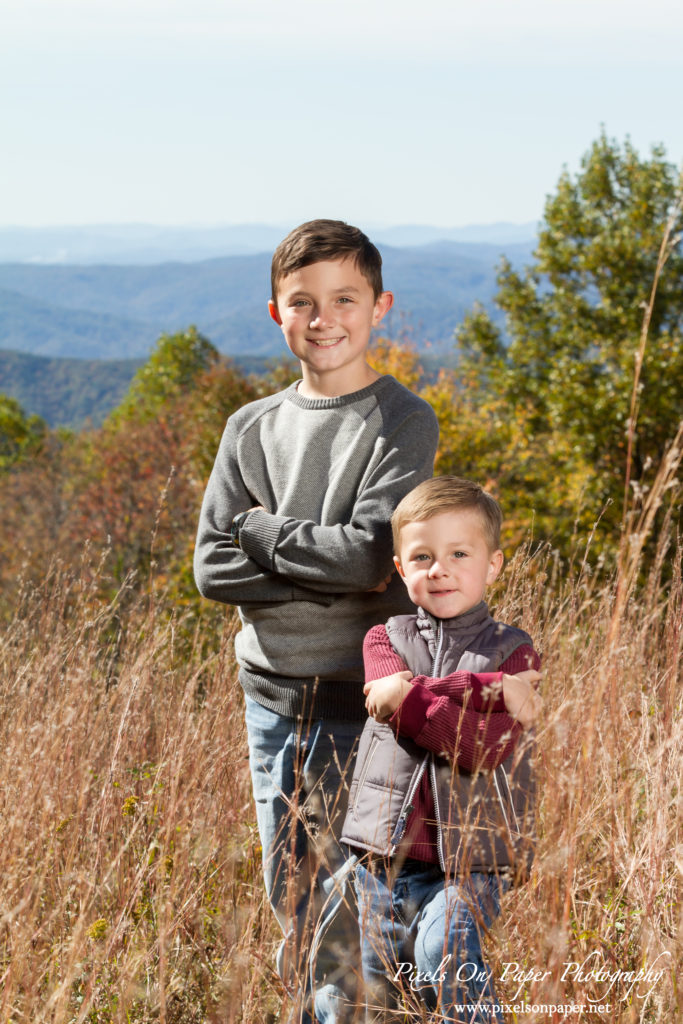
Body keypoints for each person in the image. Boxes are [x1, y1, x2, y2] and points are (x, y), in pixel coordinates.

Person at [193, 219, 440, 1023]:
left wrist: (262, 533)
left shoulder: (401, 421)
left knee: (350, 908)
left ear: (379, 307)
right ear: (276, 313)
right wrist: (323, 571)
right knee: (290, 890)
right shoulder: (250, 429)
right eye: (302, 302)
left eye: (344, 299)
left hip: (355, 704)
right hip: (268, 701)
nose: (323, 317)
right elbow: (210, 570)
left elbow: (369, 559)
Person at [341, 476, 542, 1023]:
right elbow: (386, 699)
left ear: (493, 564)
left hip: (473, 863)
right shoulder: (383, 638)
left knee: (443, 957)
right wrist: (489, 690)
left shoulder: (515, 650)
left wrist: (414, 692)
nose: (441, 568)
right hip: (383, 858)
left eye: (459, 553)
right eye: (423, 556)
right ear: (402, 569)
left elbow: (484, 748)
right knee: (384, 991)